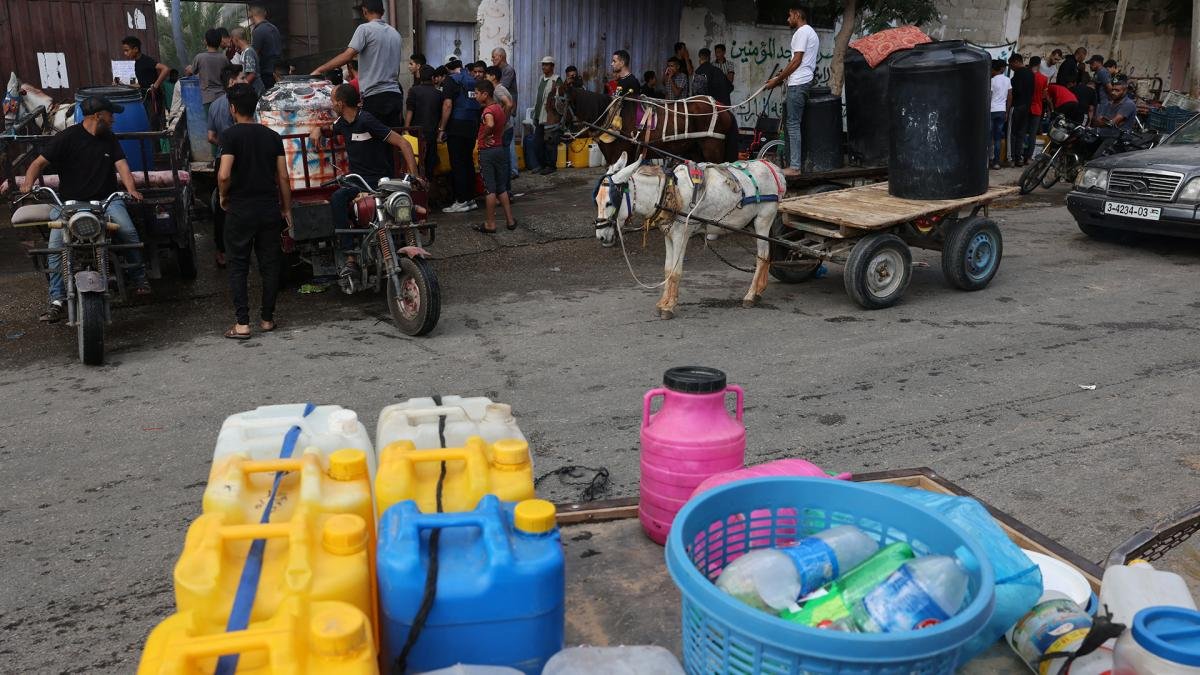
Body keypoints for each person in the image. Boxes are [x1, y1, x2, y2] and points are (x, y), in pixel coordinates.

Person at [21, 95, 152, 322]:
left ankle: (139, 277)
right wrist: (27, 184)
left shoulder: (109, 138)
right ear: (98, 116)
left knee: (128, 231)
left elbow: (121, 165)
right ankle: (57, 299)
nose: (113, 120)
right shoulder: (66, 138)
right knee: (56, 246)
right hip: (70, 205)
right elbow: (37, 163)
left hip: (107, 201)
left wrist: (131, 189)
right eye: (111, 115)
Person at [310, 83, 419, 284]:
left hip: (380, 180)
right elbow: (329, 129)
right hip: (358, 182)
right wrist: (318, 129)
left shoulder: (367, 120)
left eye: (333, 101)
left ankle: (410, 247)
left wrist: (414, 176)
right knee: (338, 198)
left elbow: (402, 143)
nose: (332, 104)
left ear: (341, 104)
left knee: (405, 207)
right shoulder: (342, 122)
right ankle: (350, 257)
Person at [217, 83, 289, 339]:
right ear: (256, 107)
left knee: (238, 266)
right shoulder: (272, 137)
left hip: (241, 210)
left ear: (232, 108)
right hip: (268, 209)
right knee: (269, 265)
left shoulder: (230, 136)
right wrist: (286, 209)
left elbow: (224, 174)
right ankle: (267, 319)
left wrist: (224, 197)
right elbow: (283, 178)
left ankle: (243, 324)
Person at [312, 0, 404, 127]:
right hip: (395, 96)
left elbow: (348, 55)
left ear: (365, 11)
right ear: (382, 12)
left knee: (371, 142)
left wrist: (320, 70)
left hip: (375, 97)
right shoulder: (396, 34)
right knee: (391, 140)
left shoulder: (364, 29)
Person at [765, 4, 821, 178]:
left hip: (798, 84)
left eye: (789, 16)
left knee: (793, 124)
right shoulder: (809, 32)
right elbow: (798, 62)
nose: (788, 19)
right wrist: (781, 78)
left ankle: (795, 167)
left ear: (797, 15)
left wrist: (777, 79)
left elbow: (797, 61)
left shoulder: (802, 32)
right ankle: (791, 164)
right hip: (798, 82)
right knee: (790, 125)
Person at [207, 64, 245, 268]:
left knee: (223, 207)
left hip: (223, 159)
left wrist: (224, 143)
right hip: (243, 159)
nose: (245, 80)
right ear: (231, 82)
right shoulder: (242, 103)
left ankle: (221, 251)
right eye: (241, 77)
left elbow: (210, 137)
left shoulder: (214, 105)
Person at [471, 80, 517, 234]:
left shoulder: (488, 111)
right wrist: (496, 135)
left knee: (490, 189)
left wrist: (482, 137)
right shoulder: (499, 108)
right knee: (501, 187)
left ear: (485, 94)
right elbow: (502, 124)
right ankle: (510, 220)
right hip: (499, 149)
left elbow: (490, 124)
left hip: (488, 152)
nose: (475, 96)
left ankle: (490, 224)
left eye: (477, 93)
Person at [439, 58, 483, 209]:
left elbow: (448, 104)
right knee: (468, 161)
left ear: (447, 67)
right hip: (471, 125)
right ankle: (470, 199)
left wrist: (442, 129)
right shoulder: (471, 79)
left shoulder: (451, 80)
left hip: (456, 125)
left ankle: (461, 200)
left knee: (457, 163)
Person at [121, 36, 169, 128]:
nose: (125, 53)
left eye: (127, 50)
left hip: (154, 100)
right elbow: (141, 84)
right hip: (146, 100)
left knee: (156, 127)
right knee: (151, 127)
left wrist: (155, 86)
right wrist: (124, 85)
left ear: (135, 49)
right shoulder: (137, 63)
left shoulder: (146, 60)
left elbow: (165, 69)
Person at [406, 65, 443, 178]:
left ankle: (417, 185)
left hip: (415, 133)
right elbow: (441, 115)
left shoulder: (414, 91)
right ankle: (429, 188)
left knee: (416, 161)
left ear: (420, 77)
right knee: (430, 163)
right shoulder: (439, 94)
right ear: (433, 78)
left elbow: (409, 112)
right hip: (431, 132)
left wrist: (406, 129)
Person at [188, 29, 230, 118]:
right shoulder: (224, 58)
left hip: (207, 98)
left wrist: (189, 70)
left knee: (211, 125)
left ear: (205, 41)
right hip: (222, 96)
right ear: (219, 42)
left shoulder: (199, 58)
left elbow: (192, 72)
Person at [531, 56, 561, 176]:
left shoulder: (557, 79)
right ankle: (542, 165)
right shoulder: (541, 79)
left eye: (547, 65)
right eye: (543, 64)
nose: (544, 67)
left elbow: (559, 100)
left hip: (550, 117)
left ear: (552, 66)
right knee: (537, 143)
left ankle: (551, 166)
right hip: (539, 115)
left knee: (550, 142)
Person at [485, 66, 517, 179]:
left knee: (502, 162)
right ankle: (507, 191)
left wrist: (502, 121)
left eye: (486, 76)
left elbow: (508, 104)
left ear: (493, 77)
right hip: (508, 128)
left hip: (504, 129)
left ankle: (505, 191)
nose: (485, 79)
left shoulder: (498, 90)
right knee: (505, 161)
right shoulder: (501, 88)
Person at [1007, 53, 1033, 167]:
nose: (1010, 67)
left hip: (1017, 106)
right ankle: (1019, 158)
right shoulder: (1031, 73)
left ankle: (1011, 158)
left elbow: (1016, 91)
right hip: (1026, 106)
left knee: (1012, 133)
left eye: (1011, 64)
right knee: (1021, 133)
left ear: (1017, 62)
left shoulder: (1018, 74)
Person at [250, 5, 283, 90]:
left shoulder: (257, 31)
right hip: (278, 70)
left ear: (252, 16)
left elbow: (254, 54)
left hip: (266, 73)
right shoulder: (274, 28)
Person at [989, 60, 1011, 170]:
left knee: (988, 138)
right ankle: (996, 163)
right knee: (997, 138)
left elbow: (989, 97)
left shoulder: (992, 81)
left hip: (991, 111)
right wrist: (1006, 112)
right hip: (1002, 111)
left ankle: (988, 160)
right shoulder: (1007, 80)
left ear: (993, 69)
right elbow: (1010, 97)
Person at [227, 28, 263, 95]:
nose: (233, 43)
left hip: (256, 88)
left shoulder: (248, 52)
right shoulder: (244, 51)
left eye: (233, 41)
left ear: (236, 39)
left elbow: (252, 74)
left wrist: (241, 84)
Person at [1026, 56, 1049, 158]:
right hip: (1037, 108)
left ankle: (1019, 155)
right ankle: (1029, 156)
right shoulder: (1044, 78)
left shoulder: (1026, 75)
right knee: (1032, 134)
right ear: (1039, 64)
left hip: (1025, 107)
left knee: (1021, 131)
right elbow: (1044, 95)